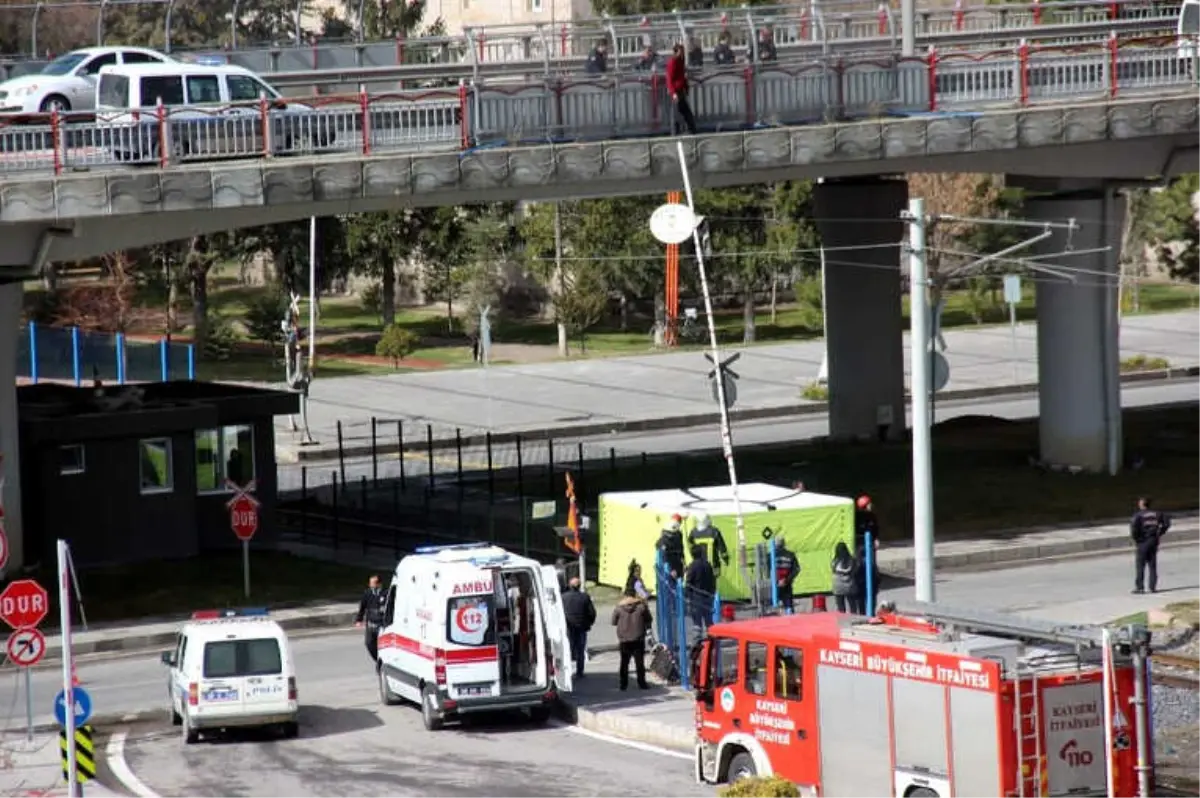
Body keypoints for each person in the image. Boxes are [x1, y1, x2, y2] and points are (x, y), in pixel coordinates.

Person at [612, 586, 653, 690]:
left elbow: (613, 622)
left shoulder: (618, 608)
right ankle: (642, 683)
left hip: (624, 639)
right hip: (638, 638)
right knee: (639, 662)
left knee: (624, 662)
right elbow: (649, 619)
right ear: (634, 595)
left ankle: (623, 684)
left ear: (625, 596)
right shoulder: (641, 607)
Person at [1130, 497, 1170, 594]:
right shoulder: (1157, 514)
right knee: (1152, 565)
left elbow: (1134, 529)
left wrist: (1136, 539)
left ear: (1142, 504)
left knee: (1140, 565)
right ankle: (1152, 587)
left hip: (1143, 541)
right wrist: (1160, 532)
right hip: (1153, 540)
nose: (1138, 504)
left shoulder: (1138, 515)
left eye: (1140, 503)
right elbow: (1167, 523)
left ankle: (1140, 587)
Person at [561, 577, 596, 678]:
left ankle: (567, 673)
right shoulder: (584, 597)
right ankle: (580, 672)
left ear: (569, 585)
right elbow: (592, 613)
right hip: (581, 627)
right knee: (580, 650)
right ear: (579, 586)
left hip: (568, 627)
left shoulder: (563, 597)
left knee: (568, 650)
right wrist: (589, 623)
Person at [684, 544, 717, 638]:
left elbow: (689, 583)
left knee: (697, 622)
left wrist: (687, 596)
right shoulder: (708, 564)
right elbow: (713, 580)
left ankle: (698, 641)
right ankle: (712, 639)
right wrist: (712, 592)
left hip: (696, 597)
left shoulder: (692, 566)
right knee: (708, 619)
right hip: (708, 595)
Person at [665, 43, 698, 135]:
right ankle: (677, 132)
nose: (683, 53)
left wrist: (686, 88)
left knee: (684, 112)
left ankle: (691, 130)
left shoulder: (680, 61)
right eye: (681, 52)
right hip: (676, 91)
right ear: (676, 52)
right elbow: (669, 79)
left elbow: (682, 77)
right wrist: (673, 93)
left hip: (680, 90)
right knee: (677, 113)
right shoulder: (672, 62)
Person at [353, 575, 386, 663]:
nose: (371, 585)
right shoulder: (367, 593)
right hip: (371, 625)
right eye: (370, 583)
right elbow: (362, 607)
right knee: (369, 644)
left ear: (379, 584)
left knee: (383, 645)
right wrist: (359, 620)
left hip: (382, 625)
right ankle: (378, 660)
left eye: (373, 583)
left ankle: (384, 661)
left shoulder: (386, 593)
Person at [831, 541, 862, 614]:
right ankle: (853, 619)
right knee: (852, 605)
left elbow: (833, 570)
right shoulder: (852, 560)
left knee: (840, 607)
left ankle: (842, 620)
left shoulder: (834, 561)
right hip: (849, 586)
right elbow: (856, 570)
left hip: (838, 586)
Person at [656, 514, 686, 584]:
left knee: (679, 585)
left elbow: (681, 549)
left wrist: (684, 563)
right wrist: (671, 569)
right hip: (670, 567)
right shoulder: (664, 539)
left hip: (678, 565)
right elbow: (664, 555)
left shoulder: (678, 534)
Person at [774, 539, 799, 613]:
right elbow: (796, 569)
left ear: (775, 545)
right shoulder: (791, 554)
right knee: (789, 607)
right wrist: (786, 580)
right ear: (784, 544)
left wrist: (777, 581)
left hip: (774, 586)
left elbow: (767, 571)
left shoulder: (770, 556)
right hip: (787, 585)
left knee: (773, 609)